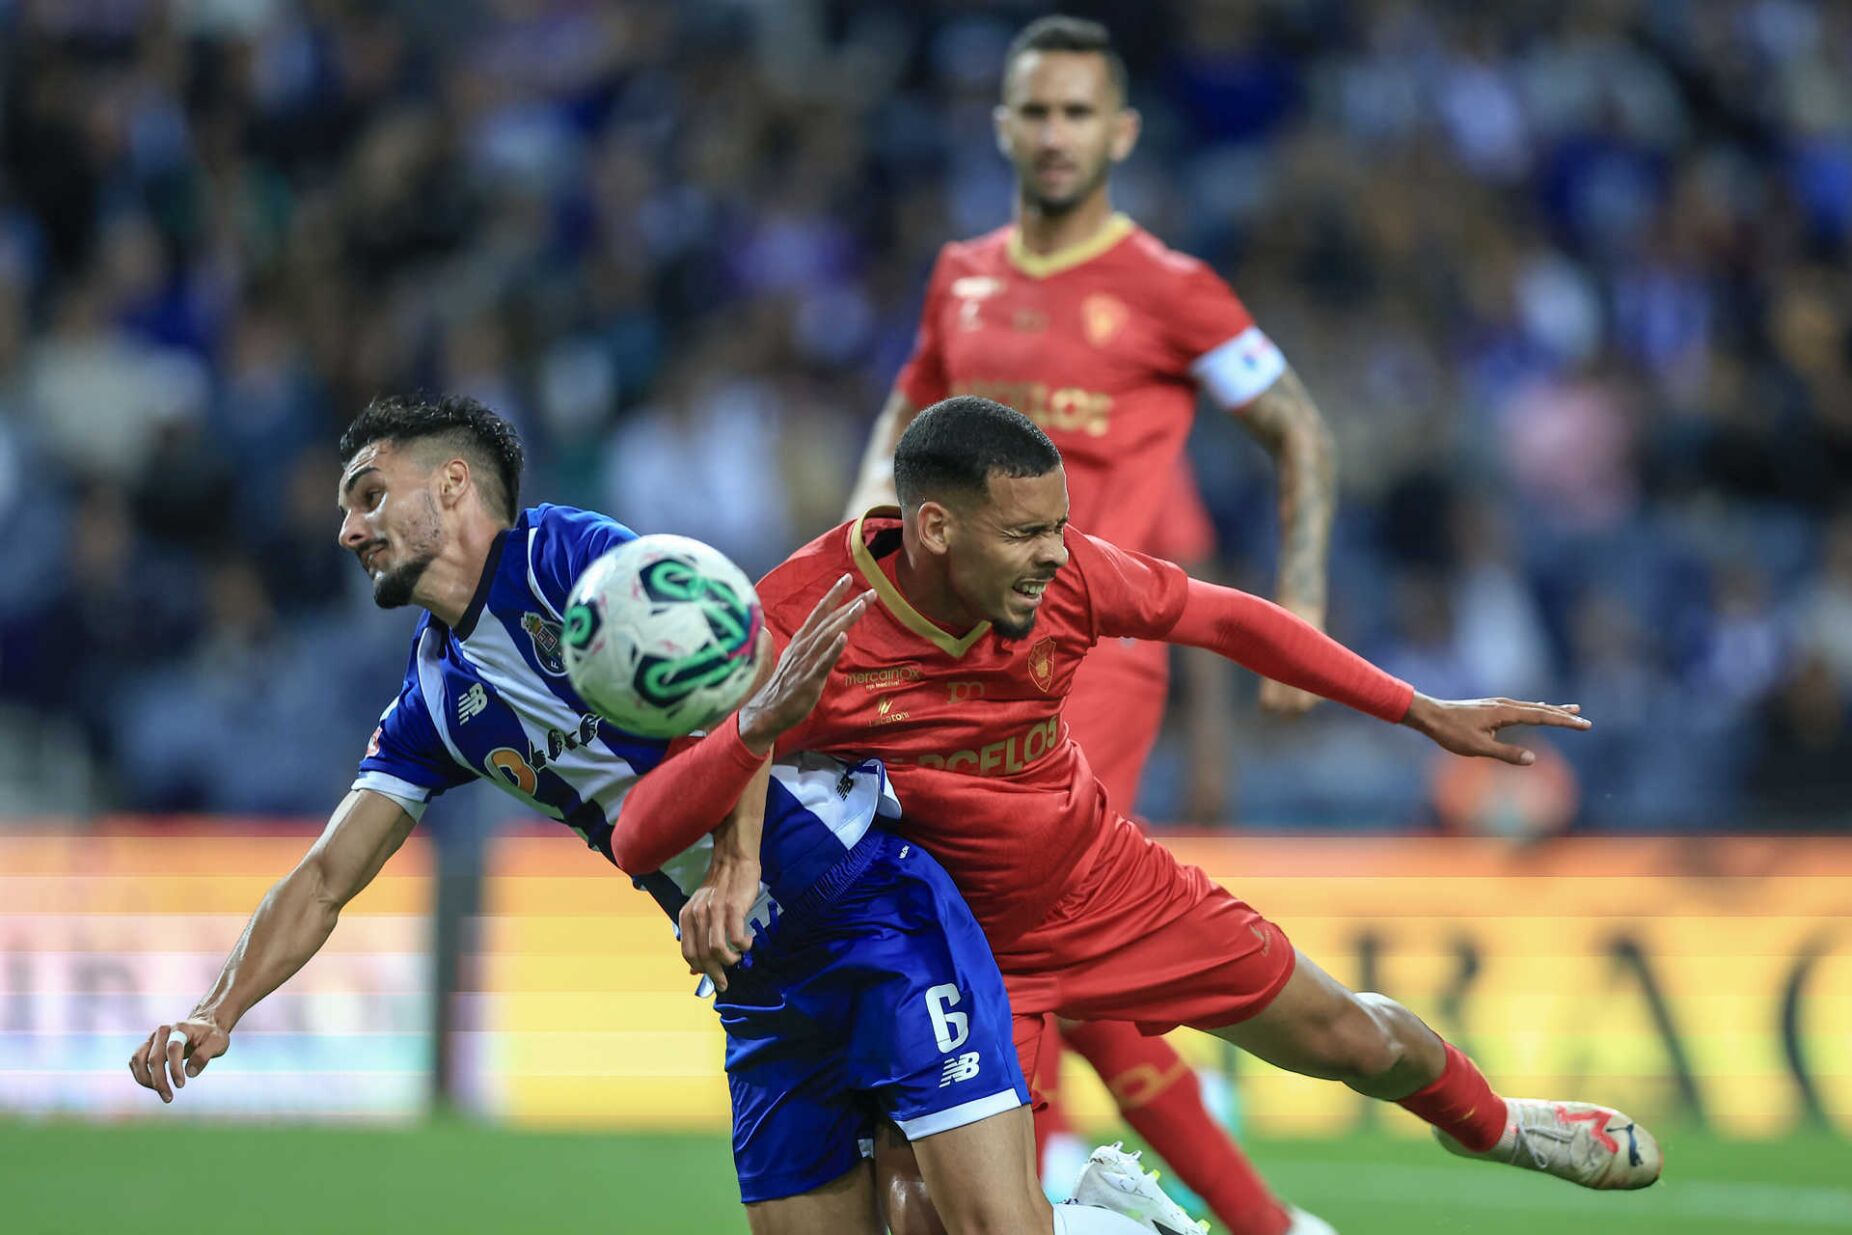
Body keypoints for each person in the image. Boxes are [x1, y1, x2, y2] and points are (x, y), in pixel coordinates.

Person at [124, 395, 1194, 1235]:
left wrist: (734, 864)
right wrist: (220, 1008)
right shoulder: (435, 704)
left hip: (865, 902)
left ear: (451, 485)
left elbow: (753, 663)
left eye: (367, 494)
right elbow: (323, 876)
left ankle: (1113, 1214)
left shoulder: (564, 558)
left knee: (976, 1221)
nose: (348, 525)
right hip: (757, 981)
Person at [642, 398, 1663, 1234]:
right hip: (958, 955)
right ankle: (1120, 1222)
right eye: (1026, 531)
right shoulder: (807, 620)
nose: (1054, 554)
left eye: (1058, 524)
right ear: (935, 526)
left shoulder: (1068, 577)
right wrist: (734, 865)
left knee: (1351, 1038)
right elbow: (741, 739)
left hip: (1105, 883)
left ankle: (1497, 1127)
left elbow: (1220, 616)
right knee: (936, 1219)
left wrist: (1415, 706)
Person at [843, 18, 1338, 1230]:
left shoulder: (1168, 289)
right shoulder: (961, 274)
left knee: (1017, 937)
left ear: (1119, 131)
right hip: (948, 671)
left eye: (1078, 113)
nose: (1055, 134)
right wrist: (860, 540)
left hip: (1090, 660)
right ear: (1001, 124)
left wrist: (1305, 604)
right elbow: (904, 421)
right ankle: (1252, 1223)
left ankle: (1049, 1198)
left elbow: (1300, 429)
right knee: (1058, 963)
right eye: (1035, 111)